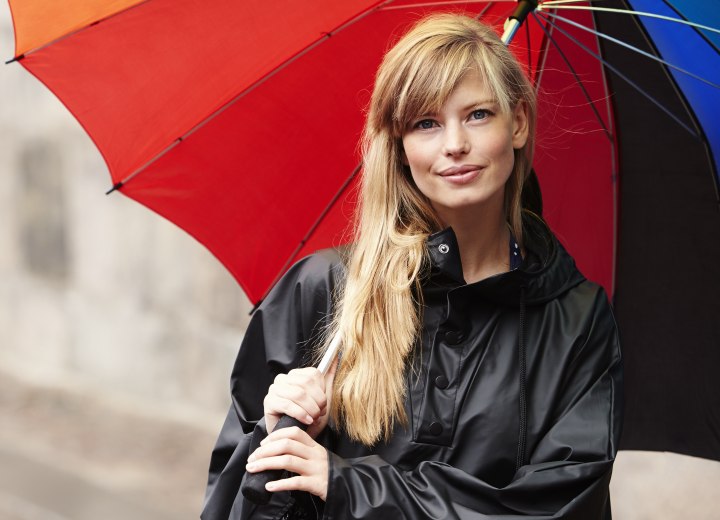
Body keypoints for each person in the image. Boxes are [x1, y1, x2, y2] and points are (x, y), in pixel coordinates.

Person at [201, 13, 623, 520]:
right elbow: (228, 509)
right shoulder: (324, 289)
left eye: (477, 115)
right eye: (426, 123)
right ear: (399, 148)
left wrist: (351, 487)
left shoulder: (578, 320)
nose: (453, 145)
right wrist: (275, 441)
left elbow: (560, 508)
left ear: (518, 123)